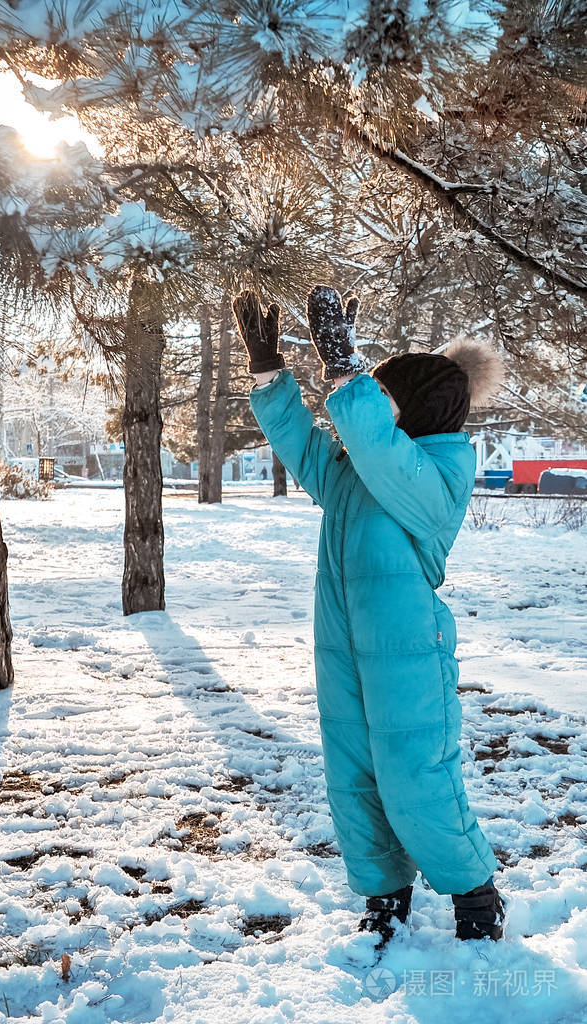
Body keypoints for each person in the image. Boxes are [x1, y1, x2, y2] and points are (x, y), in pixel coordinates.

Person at [232, 285, 507, 950]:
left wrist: (347, 373)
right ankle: (384, 889)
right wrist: (271, 375)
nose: (371, 410)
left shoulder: (439, 474)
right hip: (343, 645)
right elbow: (306, 447)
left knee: (416, 772)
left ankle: (473, 890)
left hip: (409, 649)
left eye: (386, 398)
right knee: (352, 772)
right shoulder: (356, 474)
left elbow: (382, 451)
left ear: (417, 409)